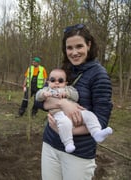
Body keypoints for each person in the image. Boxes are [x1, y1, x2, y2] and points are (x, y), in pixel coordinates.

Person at [38, 24, 113, 180]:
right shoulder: (62, 71)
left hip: (79, 153)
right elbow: (39, 102)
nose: (74, 52)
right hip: (50, 144)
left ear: (89, 45)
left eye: (79, 46)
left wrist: (66, 131)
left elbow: (101, 121)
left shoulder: (99, 75)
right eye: (69, 48)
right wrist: (62, 104)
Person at [36, 68, 113, 153]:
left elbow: (76, 96)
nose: (56, 82)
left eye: (60, 81)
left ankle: (96, 132)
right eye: (53, 80)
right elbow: (37, 98)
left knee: (89, 115)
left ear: (65, 83)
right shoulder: (46, 89)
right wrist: (43, 95)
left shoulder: (68, 89)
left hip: (76, 113)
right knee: (65, 123)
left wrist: (67, 94)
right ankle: (68, 143)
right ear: (48, 82)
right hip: (58, 114)